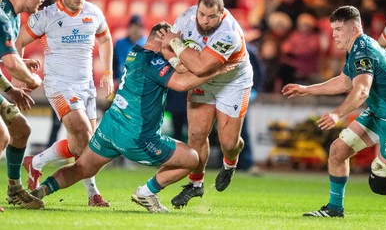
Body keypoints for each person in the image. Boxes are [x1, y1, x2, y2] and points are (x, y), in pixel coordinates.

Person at [29, 22, 235, 213]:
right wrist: (217, 70)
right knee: (192, 158)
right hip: (137, 137)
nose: (176, 44)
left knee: (80, 167)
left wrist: (172, 53)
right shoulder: (153, 61)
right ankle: (147, 192)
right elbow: (182, 84)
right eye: (173, 39)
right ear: (162, 36)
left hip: (110, 127)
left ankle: (40, 192)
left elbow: (177, 67)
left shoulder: (136, 52)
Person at [282, 5, 386, 218]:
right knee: (338, 150)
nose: (333, 35)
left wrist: (337, 113)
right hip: (379, 113)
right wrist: (307, 89)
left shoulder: (362, 51)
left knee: (380, 184)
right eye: (333, 29)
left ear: (354, 29)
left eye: (338, 29)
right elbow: (345, 82)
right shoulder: (356, 48)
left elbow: (361, 90)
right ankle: (335, 209)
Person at [16, 0, 114, 207]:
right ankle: (92, 193)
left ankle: (36, 161)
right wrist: (19, 77)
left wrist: (108, 72)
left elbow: (106, 38)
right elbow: (18, 42)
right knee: (83, 136)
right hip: (59, 84)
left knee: (85, 147)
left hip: (86, 86)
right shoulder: (47, 16)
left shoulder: (93, 12)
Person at [156, 0, 253, 208]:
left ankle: (230, 162)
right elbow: (165, 46)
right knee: (196, 134)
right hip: (203, 81)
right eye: (201, 14)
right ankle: (195, 184)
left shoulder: (230, 33)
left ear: (222, 14)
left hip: (232, 83)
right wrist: (178, 62)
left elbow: (199, 66)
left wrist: (177, 47)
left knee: (228, 142)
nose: (204, 21)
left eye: (211, 17)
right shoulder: (186, 17)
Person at [0, 0, 45, 209]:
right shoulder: (3, 16)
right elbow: (10, 64)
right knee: (2, 135)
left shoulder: (13, 17)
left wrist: (11, 88)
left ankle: (14, 190)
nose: (42, 0)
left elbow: (6, 60)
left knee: (20, 129)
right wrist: (31, 80)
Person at [113, 15, 146, 84]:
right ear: (129, 28)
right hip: (122, 82)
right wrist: (114, 78)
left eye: (138, 27)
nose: (135, 30)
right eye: (133, 27)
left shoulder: (147, 44)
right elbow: (114, 62)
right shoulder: (120, 43)